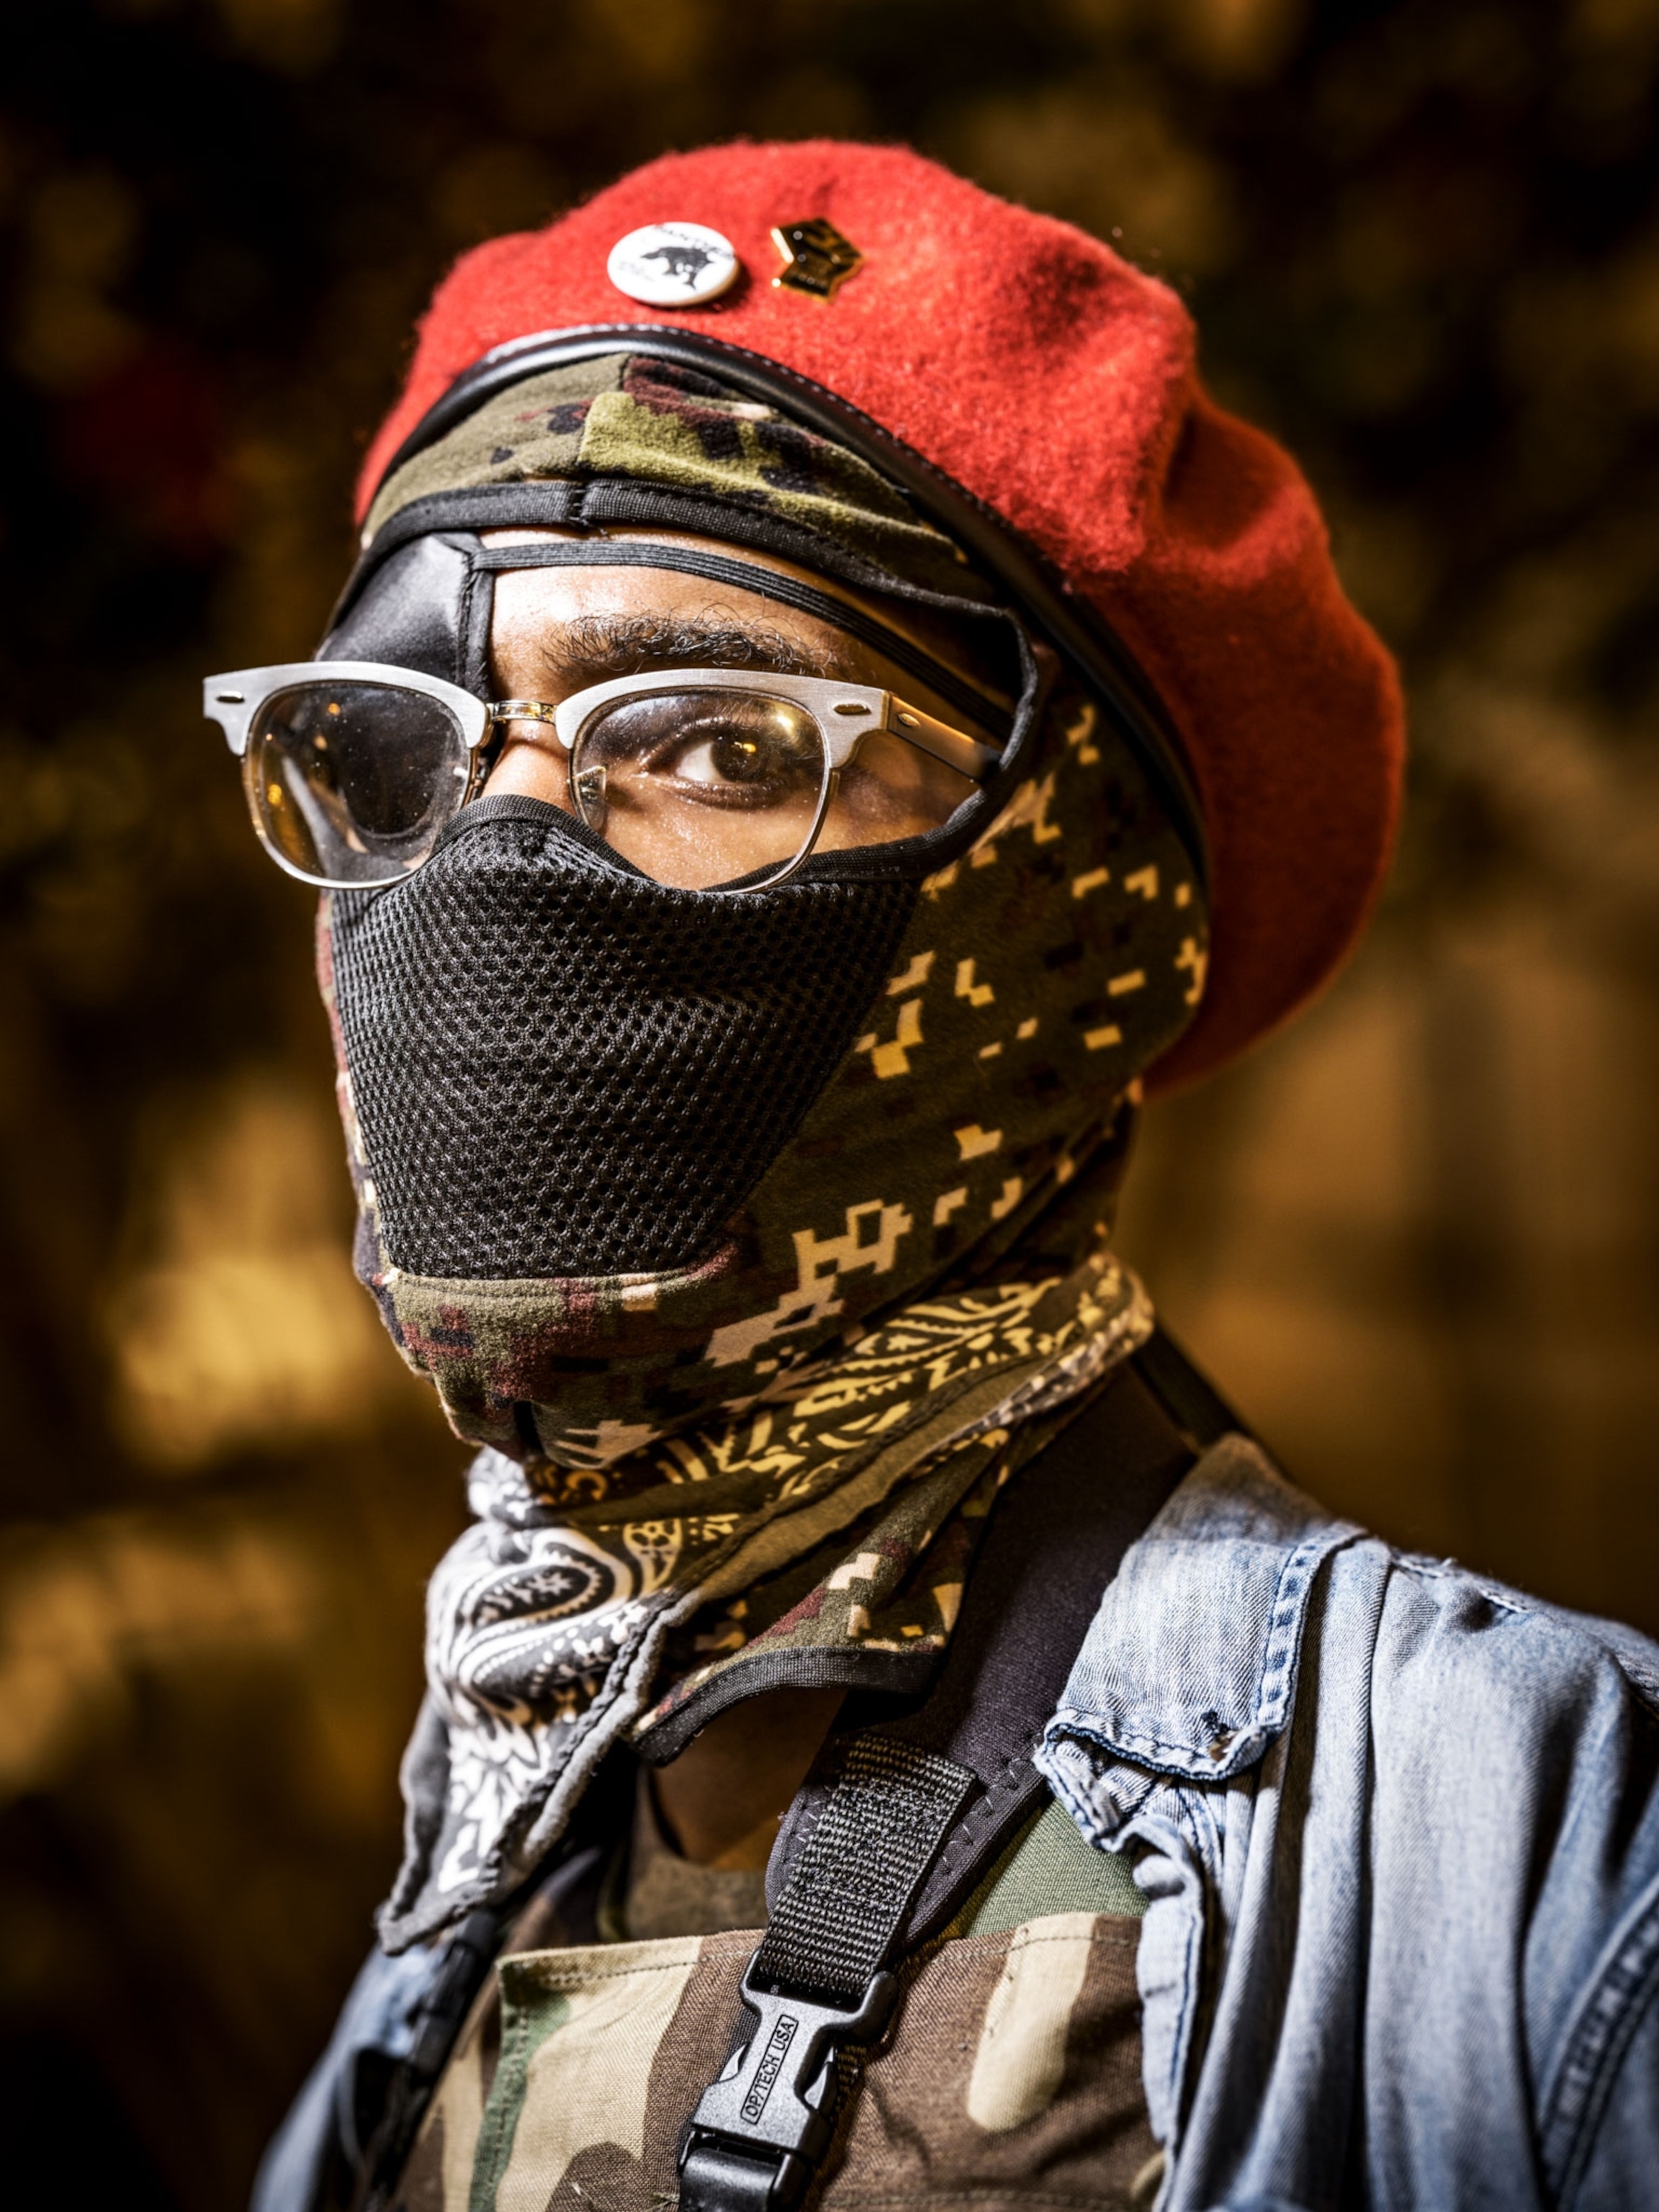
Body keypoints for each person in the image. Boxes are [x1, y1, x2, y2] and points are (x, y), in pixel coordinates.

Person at [220, 143, 1659, 2212]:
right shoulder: (499, 1823)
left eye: (716, 747)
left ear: (1073, 914)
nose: (493, 858)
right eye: (396, 748)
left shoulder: (1540, 1857)